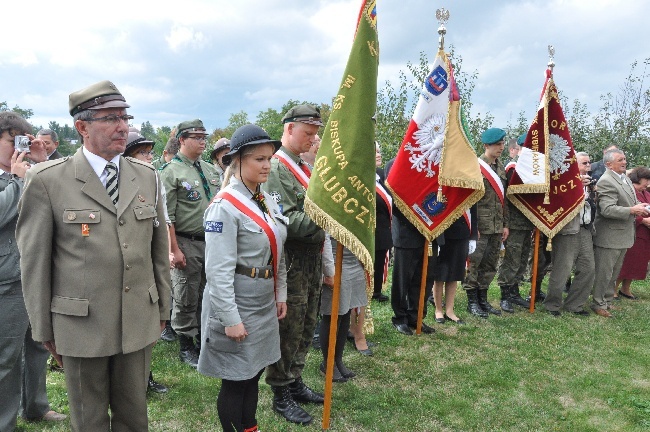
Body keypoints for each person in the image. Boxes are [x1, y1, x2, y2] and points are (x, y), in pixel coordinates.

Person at [16, 80, 171, 431]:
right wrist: (43, 329)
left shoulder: (146, 176)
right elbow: (35, 261)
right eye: (111, 118)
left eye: (125, 117)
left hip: (137, 319)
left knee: (134, 417)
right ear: (82, 127)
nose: (123, 127)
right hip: (80, 325)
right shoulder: (47, 181)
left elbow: (157, 250)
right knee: (89, 419)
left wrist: (163, 306)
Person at [198, 124, 287, 432]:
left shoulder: (264, 200)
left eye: (269, 158)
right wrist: (229, 318)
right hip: (237, 302)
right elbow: (218, 271)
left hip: (262, 300)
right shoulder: (225, 208)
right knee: (236, 379)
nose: (266, 165)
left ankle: (249, 427)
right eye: (258, 159)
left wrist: (281, 293)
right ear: (237, 161)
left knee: (253, 374)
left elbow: (278, 251)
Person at [263, 104, 325, 426]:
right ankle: (280, 390)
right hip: (292, 260)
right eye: (308, 132)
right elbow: (289, 221)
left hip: (310, 258)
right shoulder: (276, 169)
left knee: (306, 322)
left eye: (315, 133)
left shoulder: (300, 167)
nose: (313, 139)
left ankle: (295, 378)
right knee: (289, 326)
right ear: (289, 129)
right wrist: (329, 218)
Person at [0, 112, 58, 431]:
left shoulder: (29, 173)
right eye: (12, 141)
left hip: (34, 273)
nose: (18, 148)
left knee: (38, 344)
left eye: (24, 140)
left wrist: (43, 161)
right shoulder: (17, 178)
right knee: (6, 358)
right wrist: (19, 178)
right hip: (6, 279)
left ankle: (36, 406)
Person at [160, 119, 221, 367]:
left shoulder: (208, 169)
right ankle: (186, 344)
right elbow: (166, 216)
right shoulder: (171, 172)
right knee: (186, 294)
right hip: (186, 240)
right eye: (196, 136)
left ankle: (204, 339)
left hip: (212, 241)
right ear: (182, 140)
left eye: (204, 136)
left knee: (208, 291)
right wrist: (173, 249)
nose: (202, 141)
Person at [124, 128, 169, 394]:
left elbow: (161, 221)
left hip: (151, 261)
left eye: (150, 152)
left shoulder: (152, 179)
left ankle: (144, 375)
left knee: (147, 323)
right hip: (133, 265)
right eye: (142, 152)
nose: (149, 157)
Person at [591, 149, 649, 317]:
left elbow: (632, 200)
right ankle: (598, 303)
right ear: (608, 164)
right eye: (620, 160)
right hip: (609, 234)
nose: (624, 162)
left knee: (614, 272)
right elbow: (607, 209)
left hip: (623, 234)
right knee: (604, 271)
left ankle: (607, 300)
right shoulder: (606, 181)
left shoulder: (624, 178)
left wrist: (641, 206)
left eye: (624, 158)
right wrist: (632, 210)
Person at [385, 157, 437, 336]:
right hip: (407, 231)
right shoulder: (395, 164)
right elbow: (393, 198)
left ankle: (417, 316)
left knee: (425, 278)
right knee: (403, 278)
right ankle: (400, 317)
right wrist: (417, 216)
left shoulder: (436, 163)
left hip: (431, 231)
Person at [463, 128, 509, 317]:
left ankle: (483, 299)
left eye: (502, 144)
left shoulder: (500, 168)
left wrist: (505, 224)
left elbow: (503, 200)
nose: (501, 147)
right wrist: (472, 228)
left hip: (497, 226)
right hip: (480, 225)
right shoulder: (475, 167)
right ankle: (472, 301)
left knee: (490, 264)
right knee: (474, 263)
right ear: (486, 146)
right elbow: (469, 201)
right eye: (497, 144)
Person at [543, 152, 596, 316]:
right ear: (574, 165)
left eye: (589, 163)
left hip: (585, 229)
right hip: (568, 231)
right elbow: (556, 203)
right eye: (584, 163)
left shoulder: (590, 181)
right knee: (562, 269)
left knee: (588, 269)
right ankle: (552, 305)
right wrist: (577, 187)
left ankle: (574, 304)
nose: (588, 166)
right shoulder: (562, 182)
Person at [319, 240, 365, 381]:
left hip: (353, 258)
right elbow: (325, 235)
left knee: (346, 309)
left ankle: (337, 359)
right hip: (333, 258)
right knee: (332, 314)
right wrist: (328, 270)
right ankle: (328, 363)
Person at [497, 133, 532, 312]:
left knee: (522, 259)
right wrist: (506, 224)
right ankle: (505, 295)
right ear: (518, 149)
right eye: (526, 148)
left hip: (528, 222)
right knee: (512, 258)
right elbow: (507, 199)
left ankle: (514, 292)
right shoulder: (513, 168)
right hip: (515, 222)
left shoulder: (533, 170)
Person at [432, 205, 477, 325]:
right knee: (440, 274)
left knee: (454, 273)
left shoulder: (467, 186)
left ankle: (449, 311)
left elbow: (473, 210)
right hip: (442, 233)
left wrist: (473, 237)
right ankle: (438, 310)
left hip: (462, 232)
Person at [615, 166, 650, 300]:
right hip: (633, 231)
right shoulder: (629, 191)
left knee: (637, 263)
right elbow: (627, 210)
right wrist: (643, 220)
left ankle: (626, 288)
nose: (647, 183)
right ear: (638, 178)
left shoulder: (646, 193)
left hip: (644, 235)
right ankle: (614, 288)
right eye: (646, 179)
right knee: (626, 261)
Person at [373, 141, 391, 303]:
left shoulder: (381, 174)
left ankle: (376, 290)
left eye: (379, 151)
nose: (379, 154)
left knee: (380, 259)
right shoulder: (360, 177)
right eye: (375, 152)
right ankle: (368, 288)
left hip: (384, 226)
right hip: (370, 227)